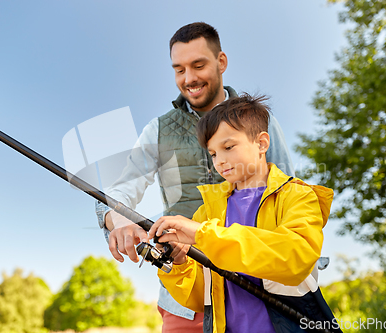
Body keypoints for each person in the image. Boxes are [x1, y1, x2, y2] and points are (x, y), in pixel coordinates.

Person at [96, 23, 294, 332]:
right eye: (179, 69)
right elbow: (120, 189)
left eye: (198, 65)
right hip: (187, 297)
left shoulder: (260, 123)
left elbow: (290, 194)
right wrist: (115, 218)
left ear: (221, 62)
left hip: (261, 292)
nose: (189, 78)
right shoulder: (158, 130)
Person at [148, 94, 338, 333]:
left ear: (261, 143)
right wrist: (180, 263)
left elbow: (296, 257)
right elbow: (199, 299)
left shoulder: (297, 196)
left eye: (228, 147)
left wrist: (205, 235)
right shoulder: (206, 212)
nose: (220, 161)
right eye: (214, 153)